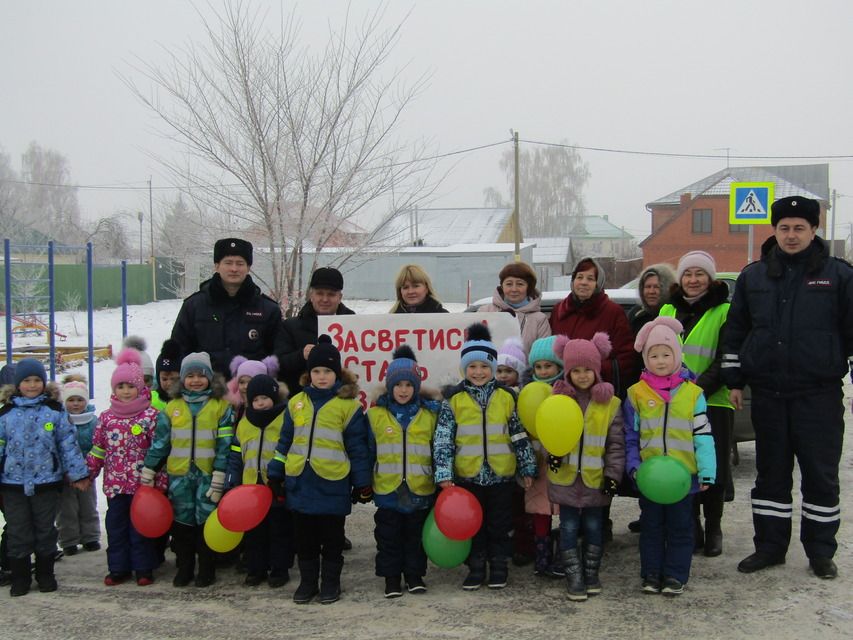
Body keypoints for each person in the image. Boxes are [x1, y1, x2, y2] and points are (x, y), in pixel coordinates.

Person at [722, 195, 853, 580]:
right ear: (774, 231)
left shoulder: (839, 276)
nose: (791, 235)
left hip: (819, 395)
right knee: (771, 475)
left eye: (799, 228)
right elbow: (736, 331)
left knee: (820, 475)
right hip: (769, 395)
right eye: (784, 228)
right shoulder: (754, 276)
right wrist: (733, 380)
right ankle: (770, 547)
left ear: (814, 231)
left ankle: (820, 551)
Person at [266, 335, 370, 605]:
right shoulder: (296, 403)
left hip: (333, 483)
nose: (322, 376)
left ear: (337, 373)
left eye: (327, 371)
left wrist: (362, 482)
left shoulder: (349, 407)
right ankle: (308, 581)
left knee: (332, 539)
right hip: (300, 481)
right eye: (316, 371)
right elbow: (284, 441)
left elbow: (358, 448)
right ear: (308, 373)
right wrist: (276, 472)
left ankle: (330, 583)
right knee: (305, 540)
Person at [433, 323, 537, 591]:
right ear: (464, 369)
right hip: (468, 477)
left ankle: (499, 565)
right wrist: (444, 473)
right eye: (472, 366)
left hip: (501, 475)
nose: (478, 372)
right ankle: (476, 566)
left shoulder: (506, 397)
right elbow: (443, 438)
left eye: (484, 366)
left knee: (499, 524)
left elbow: (518, 434)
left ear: (492, 368)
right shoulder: (453, 400)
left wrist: (526, 466)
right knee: (473, 526)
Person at [623, 317, 716, 596]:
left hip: (683, 478)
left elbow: (703, 436)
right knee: (651, 527)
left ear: (677, 355)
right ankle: (651, 573)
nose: (660, 361)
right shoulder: (636, 394)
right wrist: (634, 466)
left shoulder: (693, 394)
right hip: (650, 478)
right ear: (645, 358)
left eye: (666, 354)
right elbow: (631, 436)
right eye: (653, 355)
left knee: (680, 527)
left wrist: (707, 470)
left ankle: (675, 575)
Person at [658, 251, 732, 558]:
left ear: (710, 278)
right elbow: (656, 351)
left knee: (711, 467)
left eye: (699, 274)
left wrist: (695, 391)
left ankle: (714, 527)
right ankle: (693, 527)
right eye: (688, 274)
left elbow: (725, 356)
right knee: (682, 465)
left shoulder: (725, 311)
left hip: (713, 401)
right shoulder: (666, 309)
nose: (693, 280)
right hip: (671, 403)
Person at [141, 352, 234, 588]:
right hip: (179, 475)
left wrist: (219, 474)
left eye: (201, 375)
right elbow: (161, 443)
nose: (195, 380)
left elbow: (225, 445)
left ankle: (206, 568)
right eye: (190, 376)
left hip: (207, 475)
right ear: (182, 379)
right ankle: (184, 568)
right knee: (182, 524)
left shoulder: (220, 407)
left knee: (205, 523)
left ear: (210, 379)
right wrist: (150, 468)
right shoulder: (172, 408)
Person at [0, 358, 90, 596]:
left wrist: (78, 474)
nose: (32, 385)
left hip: (46, 483)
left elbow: (67, 444)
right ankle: (20, 577)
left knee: (45, 530)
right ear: (18, 384)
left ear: (44, 382)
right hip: (13, 484)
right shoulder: (6, 414)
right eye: (27, 381)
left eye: (37, 380)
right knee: (18, 531)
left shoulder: (54, 411)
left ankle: (45, 574)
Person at [546, 332, 625, 601]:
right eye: (575, 370)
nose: (582, 376)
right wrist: (551, 454)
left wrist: (613, 475)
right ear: (567, 372)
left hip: (595, 481)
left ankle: (592, 573)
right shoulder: (557, 401)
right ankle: (574, 575)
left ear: (597, 370)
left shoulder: (610, 405)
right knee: (568, 528)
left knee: (594, 528)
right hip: (566, 480)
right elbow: (547, 433)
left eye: (587, 370)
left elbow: (616, 445)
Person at [366, 345, 441, 598]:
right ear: (390, 386)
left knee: (415, 537)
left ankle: (414, 575)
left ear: (416, 387)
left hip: (420, 488)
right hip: (388, 489)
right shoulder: (375, 415)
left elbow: (438, 449)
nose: (403, 390)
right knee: (388, 537)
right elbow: (368, 451)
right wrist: (364, 482)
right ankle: (391, 578)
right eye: (398, 385)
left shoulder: (429, 415)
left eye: (409, 385)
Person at [87, 348, 163, 586]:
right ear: (114, 390)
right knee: (117, 527)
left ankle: (143, 568)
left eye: (130, 386)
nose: (126, 391)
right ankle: (118, 568)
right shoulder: (107, 418)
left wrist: (160, 481)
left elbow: (159, 449)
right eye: (121, 387)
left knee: (140, 528)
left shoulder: (151, 416)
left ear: (141, 387)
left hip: (143, 485)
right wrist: (88, 472)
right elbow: (98, 449)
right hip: (116, 486)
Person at [170, 238, 284, 377]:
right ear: (217, 266)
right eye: (228, 263)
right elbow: (178, 349)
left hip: (250, 392)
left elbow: (277, 356)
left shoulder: (268, 309)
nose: (234, 269)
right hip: (206, 391)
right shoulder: (194, 306)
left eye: (240, 263)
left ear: (248, 267)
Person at [225, 374, 293, 588]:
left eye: (264, 398)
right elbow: (236, 455)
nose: (260, 403)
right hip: (250, 490)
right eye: (255, 400)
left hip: (275, 488)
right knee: (254, 533)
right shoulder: (244, 424)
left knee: (279, 531)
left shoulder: (284, 420)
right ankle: (256, 569)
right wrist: (232, 481)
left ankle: (279, 569)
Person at [549, 257, 634, 398]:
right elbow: (549, 352)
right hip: (563, 394)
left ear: (598, 283)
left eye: (590, 278)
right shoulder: (560, 311)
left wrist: (592, 369)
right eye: (579, 277)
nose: (583, 282)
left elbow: (626, 358)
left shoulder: (612, 312)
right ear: (573, 281)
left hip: (598, 395)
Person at [278, 267, 355, 398]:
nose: (325, 299)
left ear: (340, 297)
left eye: (331, 294)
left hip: (344, 403)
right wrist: (300, 355)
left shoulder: (356, 324)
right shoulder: (291, 327)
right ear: (311, 295)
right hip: (304, 404)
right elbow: (278, 364)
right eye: (320, 293)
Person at [525, 336, 563, 577]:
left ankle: (562, 554)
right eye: (538, 367)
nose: (542, 371)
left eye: (548, 366)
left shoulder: (565, 392)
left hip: (562, 462)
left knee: (566, 510)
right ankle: (542, 554)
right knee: (540, 510)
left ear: (559, 367)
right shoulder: (528, 392)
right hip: (537, 461)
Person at [56, 374, 101, 557]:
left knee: (88, 505)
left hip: (87, 472)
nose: (76, 404)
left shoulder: (92, 421)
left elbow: (98, 444)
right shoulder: (60, 420)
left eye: (80, 400)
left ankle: (90, 537)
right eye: (71, 400)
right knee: (66, 509)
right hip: (66, 474)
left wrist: (90, 465)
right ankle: (68, 540)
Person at [478, 262, 550, 353]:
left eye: (520, 284)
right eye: (509, 284)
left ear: (529, 287)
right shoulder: (485, 312)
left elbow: (543, 355)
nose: (514, 289)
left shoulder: (539, 319)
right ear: (502, 286)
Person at [225, 355, 280, 424]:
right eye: (242, 382)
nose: (245, 386)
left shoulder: (267, 407)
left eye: (250, 382)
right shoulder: (234, 407)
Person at [152, 339, 182, 411]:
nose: (169, 383)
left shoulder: (188, 400)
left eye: (173, 379)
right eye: (164, 379)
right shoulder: (149, 398)